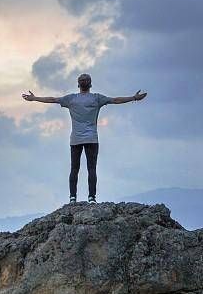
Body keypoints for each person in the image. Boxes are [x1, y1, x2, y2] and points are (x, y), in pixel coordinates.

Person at [22, 73, 147, 204]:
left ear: (78, 85)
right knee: (91, 169)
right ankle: (92, 198)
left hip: (76, 139)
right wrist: (134, 97)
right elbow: (116, 100)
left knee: (74, 169)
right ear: (90, 84)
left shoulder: (71, 99)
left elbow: (52, 99)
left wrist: (34, 98)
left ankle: (72, 198)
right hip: (92, 139)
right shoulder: (97, 98)